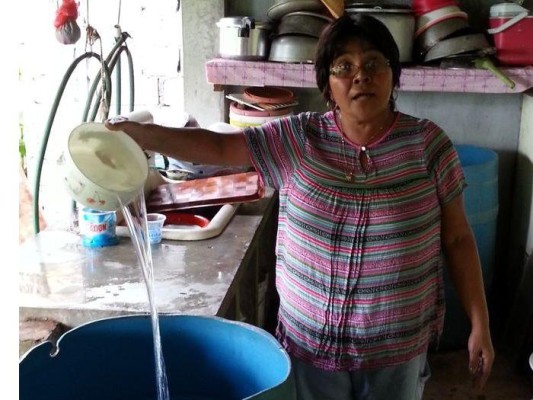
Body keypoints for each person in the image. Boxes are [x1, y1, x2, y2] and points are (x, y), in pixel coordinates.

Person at [105, 13, 494, 400]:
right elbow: (221, 147)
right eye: (344, 66)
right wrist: (144, 135)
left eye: (374, 63)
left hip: (397, 350)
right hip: (311, 347)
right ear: (328, 83)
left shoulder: (428, 145)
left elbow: (458, 238)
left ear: (393, 74)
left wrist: (480, 323)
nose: (361, 75)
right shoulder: (299, 137)